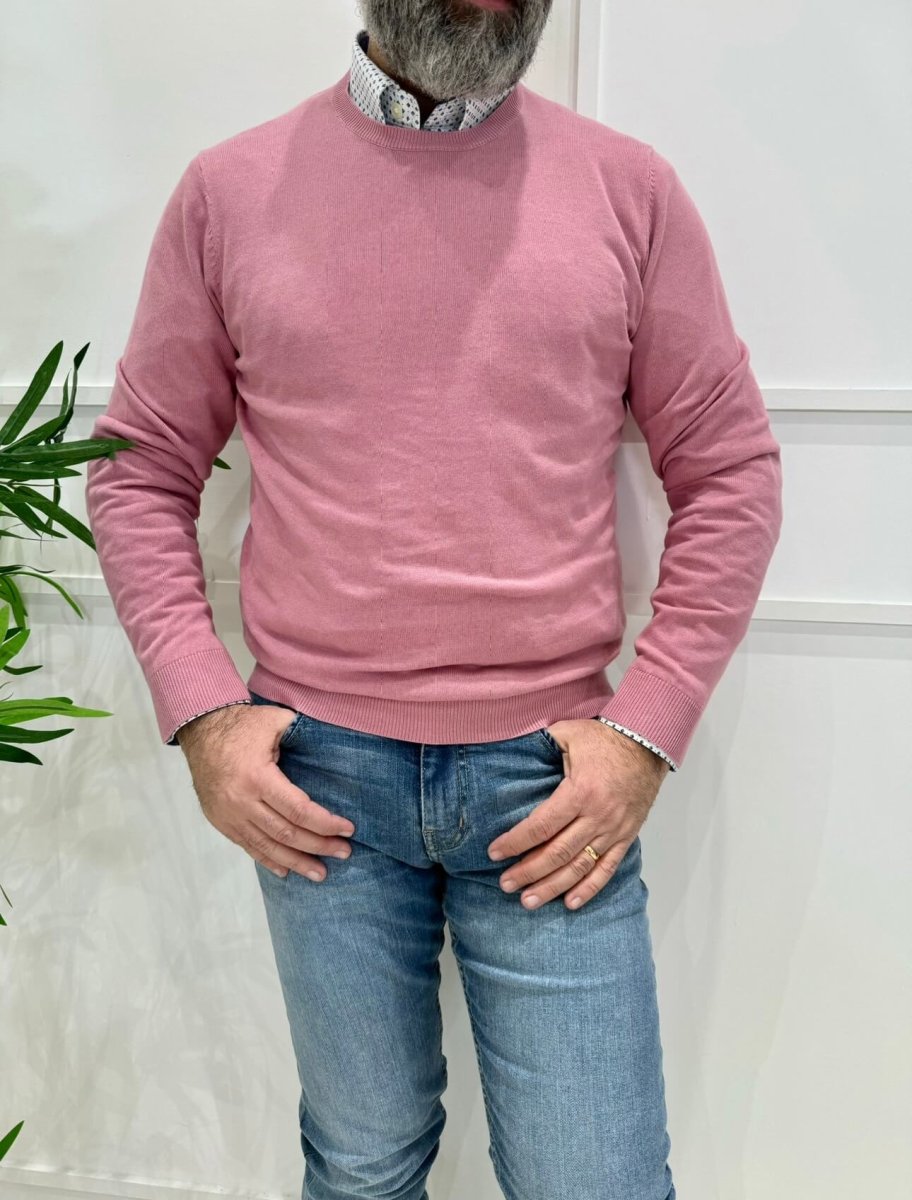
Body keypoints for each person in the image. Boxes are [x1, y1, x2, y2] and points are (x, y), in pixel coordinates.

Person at [85, 1, 783, 1196]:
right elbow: (140, 469)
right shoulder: (228, 193)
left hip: (551, 785)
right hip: (317, 783)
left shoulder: (629, 192)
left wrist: (645, 732)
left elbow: (731, 473)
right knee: (362, 1169)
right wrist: (203, 713)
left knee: (596, 1180)